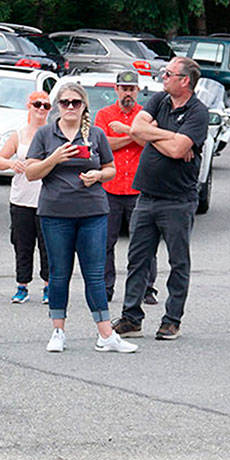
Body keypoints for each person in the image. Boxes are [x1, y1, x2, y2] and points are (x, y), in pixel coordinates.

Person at [25, 81, 136, 353]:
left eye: (76, 102)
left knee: (95, 275)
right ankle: (58, 331)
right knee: (59, 274)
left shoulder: (95, 134)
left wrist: (98, 175)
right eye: (65, 103)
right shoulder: (45, 135)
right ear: (57, 107)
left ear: (84, 105)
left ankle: (106, 334)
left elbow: (110, 168)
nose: (71, 107)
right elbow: (30, 172)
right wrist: (54, 158)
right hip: (56, 212)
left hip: (93, 211)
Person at [109, 56, 211, 341]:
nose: (163, 77)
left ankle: (171, 319)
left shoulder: (197, 112)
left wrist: (158, 137)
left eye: (168, 73)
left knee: (178, 261)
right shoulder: (160, 100)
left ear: (185, 80)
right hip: (147, 195)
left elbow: (179, 151)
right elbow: (139, 130)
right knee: (137, 259)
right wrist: (169, 135)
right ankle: (131, 317)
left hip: (178, 199)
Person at [95, 70, 157, 304]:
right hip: (110, 188)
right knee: (105, 243)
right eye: (123, 88)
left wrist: (127, 131)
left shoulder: (146, 115)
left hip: (140, 189)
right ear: (116, 90)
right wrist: (133, 135)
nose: (127, 93)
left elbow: (150, 142)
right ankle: (106, 287)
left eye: (131, 89)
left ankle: (147, 289)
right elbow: (104, 144)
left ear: (138, 90)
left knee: (144, 242)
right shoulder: (104, 114)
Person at [0, 90, 49, 304]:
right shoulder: (19, 134)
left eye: (46, 106)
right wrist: (11, 164)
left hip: (46, 199)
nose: (41, 109)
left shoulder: (52, 133)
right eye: (37, 104)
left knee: (48, 246)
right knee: (22, 244)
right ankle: (22, 285)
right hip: (21, 199)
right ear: (29, 106)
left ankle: (48, 286)